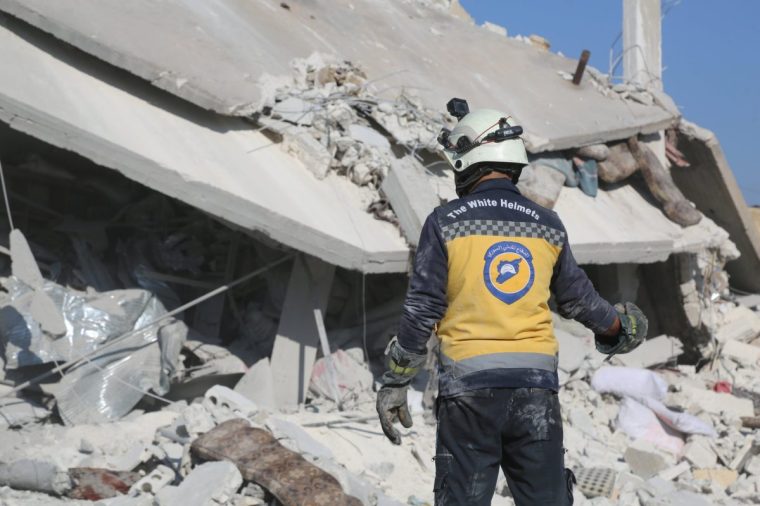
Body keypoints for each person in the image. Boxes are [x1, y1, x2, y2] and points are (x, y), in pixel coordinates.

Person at [375, 99, 648, 505]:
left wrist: (396, 381)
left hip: (468, 393)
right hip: (535, 390)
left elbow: (422, 309)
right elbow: (579, 300)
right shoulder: (547, 224)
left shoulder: (446, 222)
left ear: (469, 160)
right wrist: (618, 328)